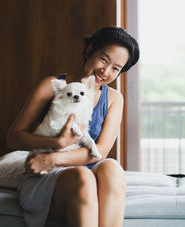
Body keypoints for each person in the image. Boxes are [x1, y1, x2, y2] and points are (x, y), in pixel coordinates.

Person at [6, 26, 140, 227]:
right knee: (82, 176)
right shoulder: (53, 85)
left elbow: (100, 152)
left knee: (112, 168)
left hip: (69, 166)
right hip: (47, 177)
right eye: (103, 59)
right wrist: (55, 143)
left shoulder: (113, 99)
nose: (105, 71)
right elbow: (13, 137)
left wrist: (53, 158)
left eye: (116, 68)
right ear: (89, 51)